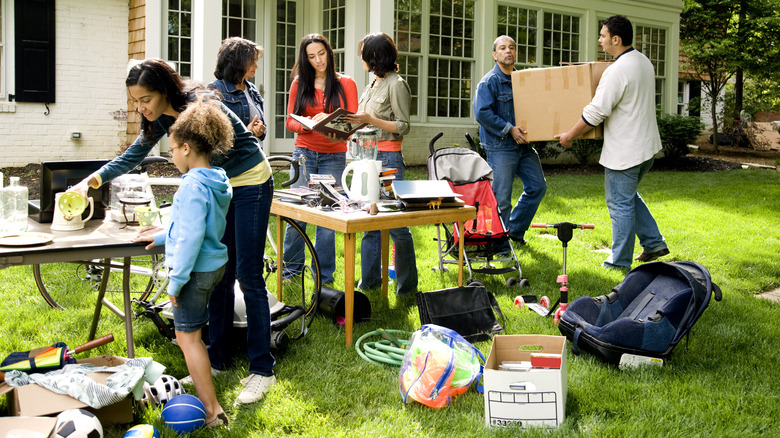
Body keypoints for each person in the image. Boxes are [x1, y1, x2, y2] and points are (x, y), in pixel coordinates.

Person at [71, 59, 276, 404]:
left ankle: (262, 369)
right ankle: (218, 360)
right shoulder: (160, 119)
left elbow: (219, 155)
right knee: (220, 276)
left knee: (249, 275)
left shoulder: (201, 108)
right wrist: (89, 181)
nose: (141, 107)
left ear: (164, 91)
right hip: (220, 186)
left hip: (250, 182)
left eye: (146, 99)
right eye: (135, 101)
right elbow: (132, 156)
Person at [132, 97, 233, 428]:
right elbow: (195, 226)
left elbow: (190, 238)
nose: (171, 155)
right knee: (195, 334)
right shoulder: (216, 178)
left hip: (195, 271)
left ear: (187, 147)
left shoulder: (191, 185)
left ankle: (212, 409)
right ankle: (209, 399)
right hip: (213, 265)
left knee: (188, 339)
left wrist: (175, 282)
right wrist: (162, 237)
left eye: (172, 149)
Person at [554, 15, 669, 269]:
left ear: (616, 39)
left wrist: (569, 135)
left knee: (620, 205)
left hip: (625, 152)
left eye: (603, 35)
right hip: (646, 148)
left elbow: (596, 112)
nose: (599, 39)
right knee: (628, 198)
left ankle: (619, 262)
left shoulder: (617, 70)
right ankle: (653, 242)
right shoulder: (643, 62)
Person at [343, 32, 418, 295]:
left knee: (397, 225)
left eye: (363, 52)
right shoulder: (372, 83)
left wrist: (370, 120)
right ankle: (370, 283)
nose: (359, 57)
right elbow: (366, 119)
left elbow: (403, 126)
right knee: (369, 224)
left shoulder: (397, 84)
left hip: (388, 159)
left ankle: (407, 287)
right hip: (366, 158)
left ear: (374, 55)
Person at [285, 33, 359, 284]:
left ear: (329, 52)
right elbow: (289, 121)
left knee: (327, 215)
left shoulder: (346, 83)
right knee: (298, 213)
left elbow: (353, 121)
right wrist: (309, 125)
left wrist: (330, 123)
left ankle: (324, 276)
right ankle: (291, 271)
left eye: (322, 54)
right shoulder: (299, 84)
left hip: (334, 156)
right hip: (304, 153)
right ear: (305, 59)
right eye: (312, 56)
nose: (318, 60)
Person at [473, 35, 547, 247]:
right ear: (495, 55)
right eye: (503, 48)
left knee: (537, 186)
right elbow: (482, 113)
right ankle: (498, 245)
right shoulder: (489, 83)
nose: (508, 51)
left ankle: (514, 231)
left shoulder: (523, 80)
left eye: (512, 48)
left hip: (524, 146)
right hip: (501, 146)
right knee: (502, 198)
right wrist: (509, 129)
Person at [210, 37, 267, 140]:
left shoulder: (252, 89)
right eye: (252, 61)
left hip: (254, 154)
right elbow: (212, 134)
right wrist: (247, 132)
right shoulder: (215, 90)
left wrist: (260, 130)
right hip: (233, 155)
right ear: (238, 62)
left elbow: (263, 129)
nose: (256, 66)